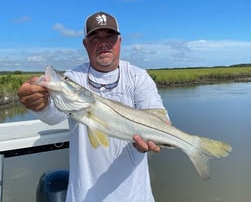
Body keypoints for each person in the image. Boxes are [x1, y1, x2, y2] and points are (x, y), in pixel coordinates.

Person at [18, 11, 170, 202]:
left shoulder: (139, 77)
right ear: (85, 44)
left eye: (110, 37)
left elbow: (158, 117)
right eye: (95, 37)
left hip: (136, 196)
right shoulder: (74, 77)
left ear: (120, 42)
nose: (103, 43)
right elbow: (53, 115)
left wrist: (153, 140)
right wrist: (38, 104)